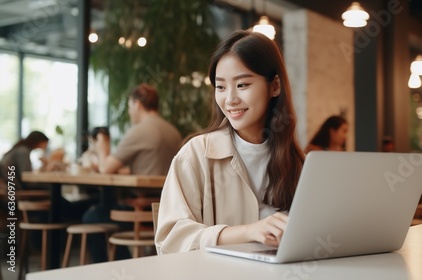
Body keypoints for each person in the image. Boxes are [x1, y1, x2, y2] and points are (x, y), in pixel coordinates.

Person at [155, 30, 305, 254]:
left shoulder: (294, 161)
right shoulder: (196, 154)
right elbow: (170, 241)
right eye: (221, 87)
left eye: (242, 85)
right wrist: (248, 231)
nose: (230, 99)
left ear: (275, 86)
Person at [83, 83, 183, 263]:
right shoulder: (173, 131)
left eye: (129, 106)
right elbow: (153, 167)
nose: (130, 112)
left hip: (141, 209)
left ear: (137, 104)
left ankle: (118, 271)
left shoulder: (140, 130)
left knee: (92, 217)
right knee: (101, 214)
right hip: (166, 208)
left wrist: (102, 146)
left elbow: (106, 168)